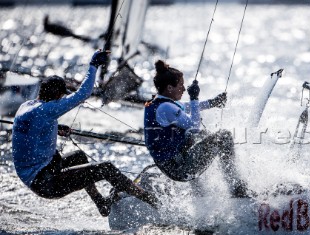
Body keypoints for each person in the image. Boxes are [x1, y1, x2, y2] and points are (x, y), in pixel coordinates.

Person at [12, 50, 157, 217]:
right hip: (45, 183)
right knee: (106, 168)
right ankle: (150, 200)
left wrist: (55, 127)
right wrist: (93, 66)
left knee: (79, 156)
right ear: (57, 95)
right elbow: (83, 94)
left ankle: (100, 203)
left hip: (39, 173)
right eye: (61, 97)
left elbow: (33, 127)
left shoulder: (27, 106)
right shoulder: (47, 110)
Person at [144, 60, 254, 198]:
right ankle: (237, 189)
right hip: (179, 169)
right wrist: (194, 97)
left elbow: (186, 107)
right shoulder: (166, 107)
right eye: (181, 85)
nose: (184, 89)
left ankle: (200, 194)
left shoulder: (160, 103)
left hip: (172, 164)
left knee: (204, 135)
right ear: (170, 88)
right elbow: (194, 126)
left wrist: (213, 103)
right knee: (223, 137)